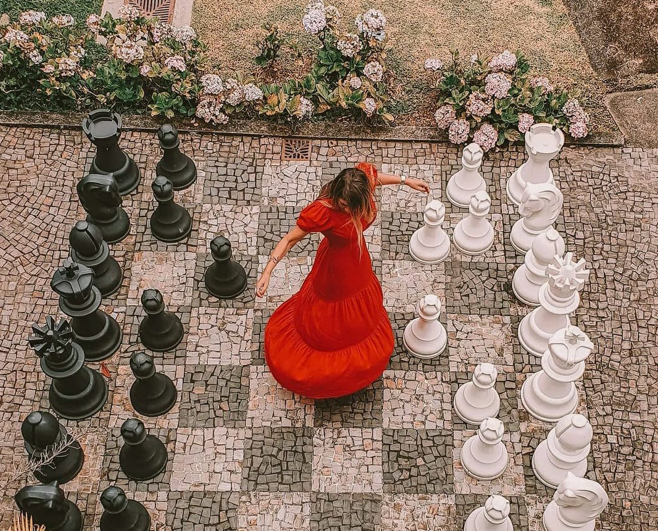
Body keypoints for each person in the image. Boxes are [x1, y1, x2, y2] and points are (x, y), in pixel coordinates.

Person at [256, 163, 430, 398]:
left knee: (362, 310)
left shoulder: (363, 186)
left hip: (357, 264)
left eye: (348, 205)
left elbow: (375, 178)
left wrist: (406, 180)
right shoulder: (324, 211)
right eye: (341, 201)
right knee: (328, 317)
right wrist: (268, 270)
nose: (343, 206)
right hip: (335, 272)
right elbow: (289, 240)